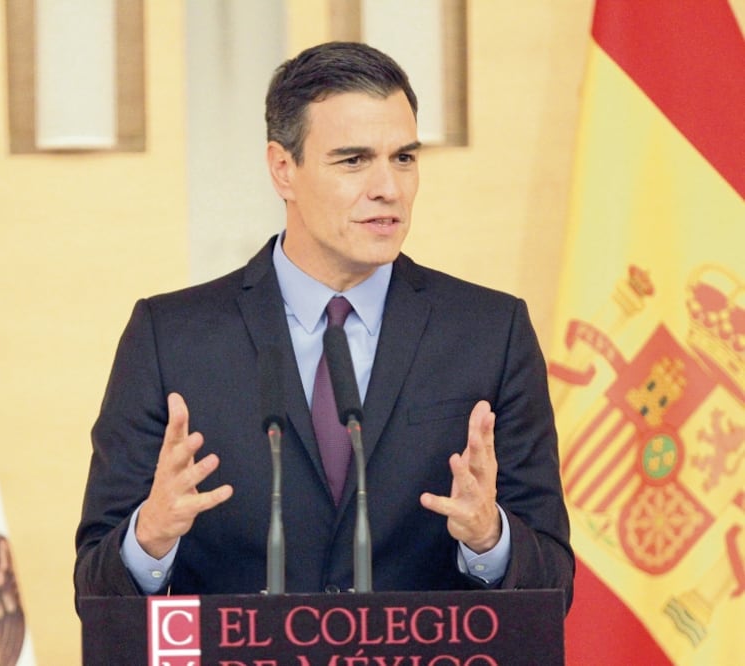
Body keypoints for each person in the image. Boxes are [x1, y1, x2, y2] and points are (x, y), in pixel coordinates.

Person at [73, 41, 573, 608]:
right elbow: (93, 590)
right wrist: (150, 537)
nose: (388, 187)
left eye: (404, 158)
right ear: (284, 169)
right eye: (354, 160)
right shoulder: (170, 338)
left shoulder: (490, 332)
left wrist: (490, 540)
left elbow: (554, 584)